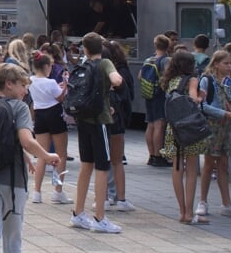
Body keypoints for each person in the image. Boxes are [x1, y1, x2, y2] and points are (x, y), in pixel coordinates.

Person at [0, 63, 59, 253]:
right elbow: (27, 140)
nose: (25, 90)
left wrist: (24, 154)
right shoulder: (19, 108)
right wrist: (47, 156)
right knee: (12, 238)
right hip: (12, 182)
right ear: (9, 84)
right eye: (23, 85)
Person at [69, 32, 123, 234]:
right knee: (102, 167)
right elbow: (116, 80)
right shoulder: (104, 63)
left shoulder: (83, 64)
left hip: (83, 118)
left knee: (86, 165)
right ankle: (100, 217)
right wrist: (114, 82)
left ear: (85, 49)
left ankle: (78, 212)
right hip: (100, 120)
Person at [195, 50, 231, 218]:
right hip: (212, 126)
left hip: (225, 128)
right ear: (216, 64)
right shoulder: (206, 80)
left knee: (224, 164)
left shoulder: (229, 82)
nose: (230, 66)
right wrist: (222, 113)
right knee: (209, 164)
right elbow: (201, 105)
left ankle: (227, 203)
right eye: (226, 63)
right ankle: (202, 201)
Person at [158, 50, 207, 224]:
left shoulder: (170, 80)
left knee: (177, 168)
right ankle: (189, 213)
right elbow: (193, 99)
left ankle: (181, 211)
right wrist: (201, 96)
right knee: (192, 170)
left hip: (174, 128)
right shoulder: (192, 80)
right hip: (191, 129)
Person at [28, 53, 70, 205]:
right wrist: (64, 86)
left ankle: (36, 192)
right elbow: (60, 98)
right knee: (61, 155)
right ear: (46, 66)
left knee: (42, 155)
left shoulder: (30, 81)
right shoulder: (51, 81)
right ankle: (58, 191)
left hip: (39, 115)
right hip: (54, 115)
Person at [104, 41, 135, 211]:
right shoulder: (122, 73)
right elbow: (127, 96)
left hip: (102, 121)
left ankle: (105, 198)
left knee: (103, 161)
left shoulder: (98, 72)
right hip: (117, 122)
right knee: (117, 161)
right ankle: (120, 198)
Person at [141, 34, 173, 167]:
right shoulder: (166, 60)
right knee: (160, 124)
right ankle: (158, 156)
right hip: (159, 95)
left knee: (151, 124)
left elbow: (140, 75)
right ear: (168, 46)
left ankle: (151, 155)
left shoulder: (148, 59)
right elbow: (167, 74)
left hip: (149, 94)